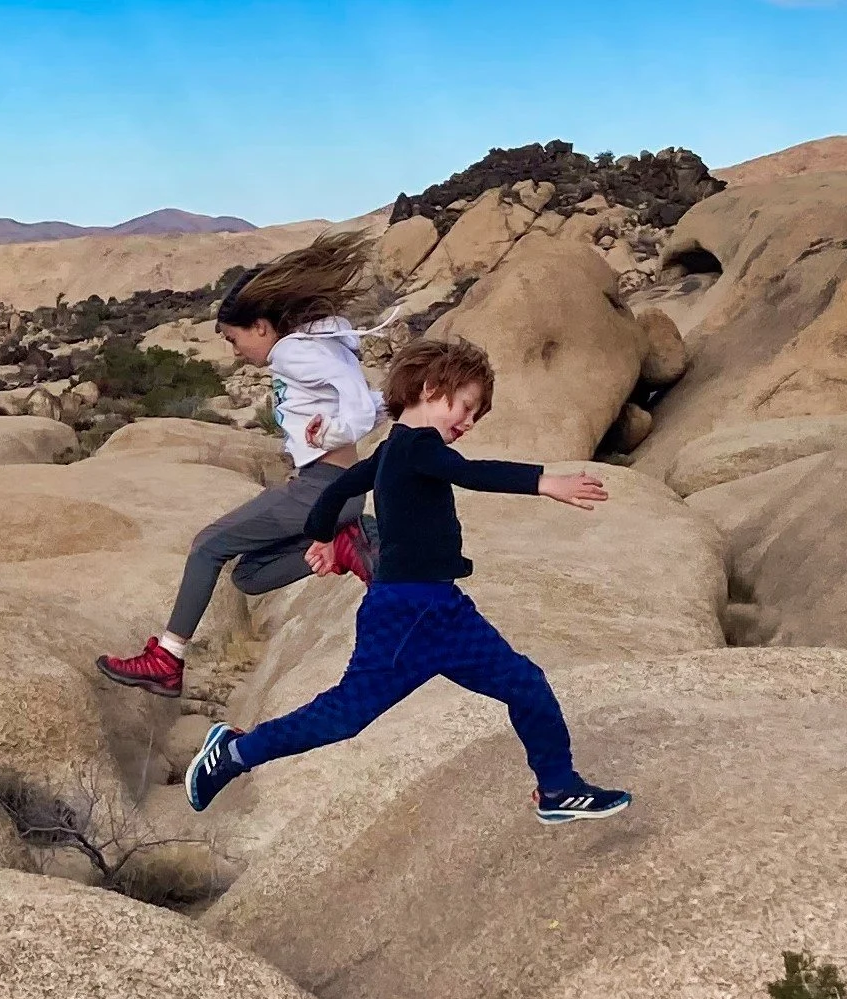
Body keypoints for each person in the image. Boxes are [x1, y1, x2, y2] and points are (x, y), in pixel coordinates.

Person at [182, 337, 633, 825]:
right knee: (346, 714)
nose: (468, 422)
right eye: (466, 407)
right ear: (430, 388)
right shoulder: (418, 446)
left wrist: (324, 537)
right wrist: (544, 481)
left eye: (476, 416)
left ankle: (558, 788)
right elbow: (468, 473)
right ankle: (234, 753)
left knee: (526, 683)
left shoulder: (390, 452)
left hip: (443, 611)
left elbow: (334, 492)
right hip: (406, 612)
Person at [96, 232, 394, 699]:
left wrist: (332, 434)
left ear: (260, 327)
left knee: (206, 547)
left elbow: (353, 409)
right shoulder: (319, 346)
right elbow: (367, 403)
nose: (236, 352)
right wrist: (388, 406)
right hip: (335, 490)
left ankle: (167, 662)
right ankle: (343, 541)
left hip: (322, 488)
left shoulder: (292, 351)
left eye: (234, 340)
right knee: (250, 576)